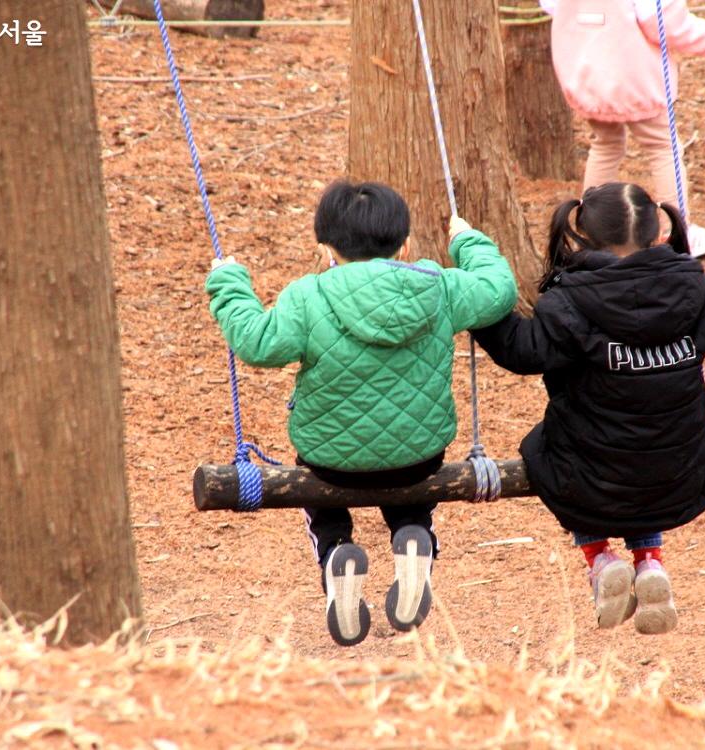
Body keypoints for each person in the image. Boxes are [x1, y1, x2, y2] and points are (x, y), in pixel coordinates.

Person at [206, 180, 517, 646]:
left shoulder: (308, 296)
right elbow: (499, 289)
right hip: (420, 457)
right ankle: (414, 535)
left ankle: (335, 550)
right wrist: (467, 240)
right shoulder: (437, 287)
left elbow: (255, 341)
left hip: (331, 465)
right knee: (409, 486)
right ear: (405, 244)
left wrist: (230, 284)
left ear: (326, 249)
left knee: (323, 498)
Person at [472, 182, 705, 634]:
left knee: (549, 446)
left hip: (591, 480)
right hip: (682, 475)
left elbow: (520, 351)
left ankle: (601, 559)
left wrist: (483, 309)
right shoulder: (693, 286)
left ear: (581, 237)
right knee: (634, 446)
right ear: (658, 232)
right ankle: (649, 562)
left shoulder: (569, 300)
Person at [539, 0, 705, 257]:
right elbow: (664, 21)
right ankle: (678, 232)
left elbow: (552, 7)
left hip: (586, 73)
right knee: (662, 146)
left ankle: (591, 231)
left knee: (605, 143)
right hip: (635, 77)